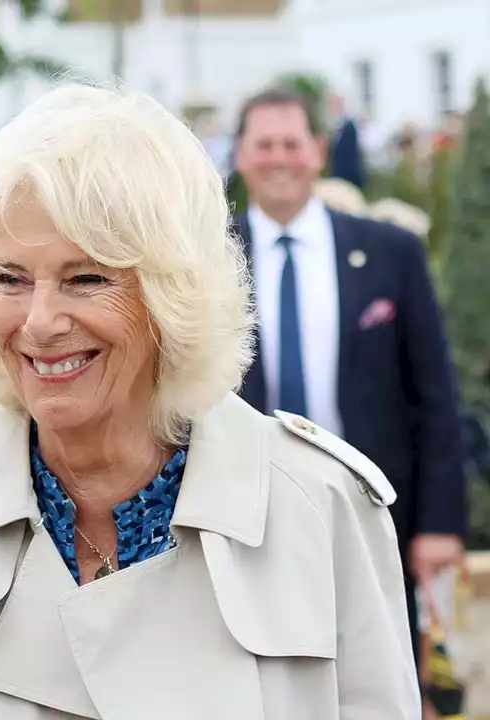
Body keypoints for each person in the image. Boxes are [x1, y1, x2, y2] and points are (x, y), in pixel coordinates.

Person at [0, 81, 420, 719]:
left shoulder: (321, 507)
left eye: (86, 278)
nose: (41, 321)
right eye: (9, 279)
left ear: (173, 293)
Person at [231, 87, 466, 661]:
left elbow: (434, 392)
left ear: (317, 151)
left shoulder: (390, 252)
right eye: (264, 144)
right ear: (240, 155)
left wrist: (439, 522)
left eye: (292, 143)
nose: (278, 157)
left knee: (380, 662)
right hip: (246, 501)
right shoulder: (207, 253)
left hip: (372, 500)